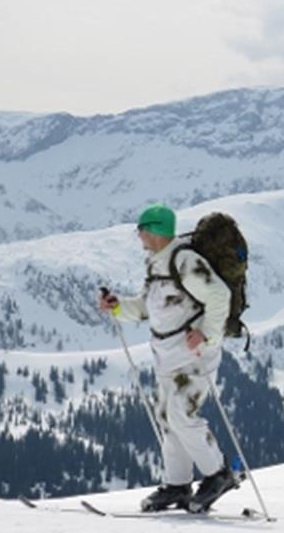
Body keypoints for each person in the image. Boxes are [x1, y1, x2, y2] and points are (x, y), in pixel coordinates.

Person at [98, 204, 239, 512]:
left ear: (155, 231)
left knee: (180, 414)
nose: (139, 236)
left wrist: (207, 335)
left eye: (142, 230)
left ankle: (219, 474)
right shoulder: (157, 264)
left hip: (195, 353)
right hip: (168, 355)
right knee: (167, 418)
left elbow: (219, 296)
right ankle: (178, 485)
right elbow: (149, 307)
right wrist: (118, 306)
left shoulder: (185, 261)